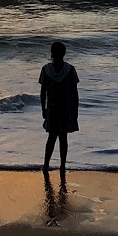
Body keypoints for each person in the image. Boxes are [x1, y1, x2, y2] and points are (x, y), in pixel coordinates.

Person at [38, 40, 79, 177]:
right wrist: (75, 111)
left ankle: (47, 164)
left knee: (53, 137)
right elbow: (74, 93)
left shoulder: (46, 70)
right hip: (63, 107)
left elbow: (43, 92)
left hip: (54, 107)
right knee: (61, 137)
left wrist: (43, 108)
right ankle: (61, 165)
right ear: (64, 53)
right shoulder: (70, 69)